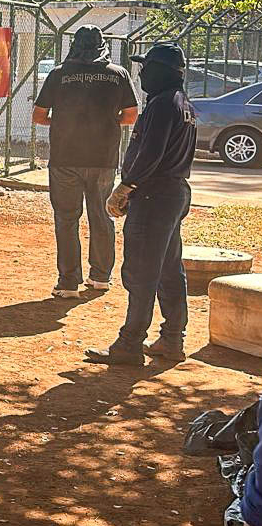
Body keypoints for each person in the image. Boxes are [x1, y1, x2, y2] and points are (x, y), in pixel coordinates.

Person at [85, 42, 196, 366]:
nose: (142, 72)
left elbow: (151, 153)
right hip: (172, 193)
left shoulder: (163, 105)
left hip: (153, 196)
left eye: (147, 67)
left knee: (141, 273)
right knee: (168, 269)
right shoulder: (182, 103)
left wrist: (126, 186)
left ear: (162, 71)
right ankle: (172, 340)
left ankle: (130, 344)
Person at [32, 26, 138, 299]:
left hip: (65, 158)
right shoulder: (118, 74)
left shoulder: (59, 74)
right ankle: (100, 278)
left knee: (66, 219)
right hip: (103, 159)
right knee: (101, 216)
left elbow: (39, 116)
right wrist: (106, 122)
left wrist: (64, 122)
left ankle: (68, 283)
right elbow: (130, 116)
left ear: (74, 45)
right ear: (103, 45)